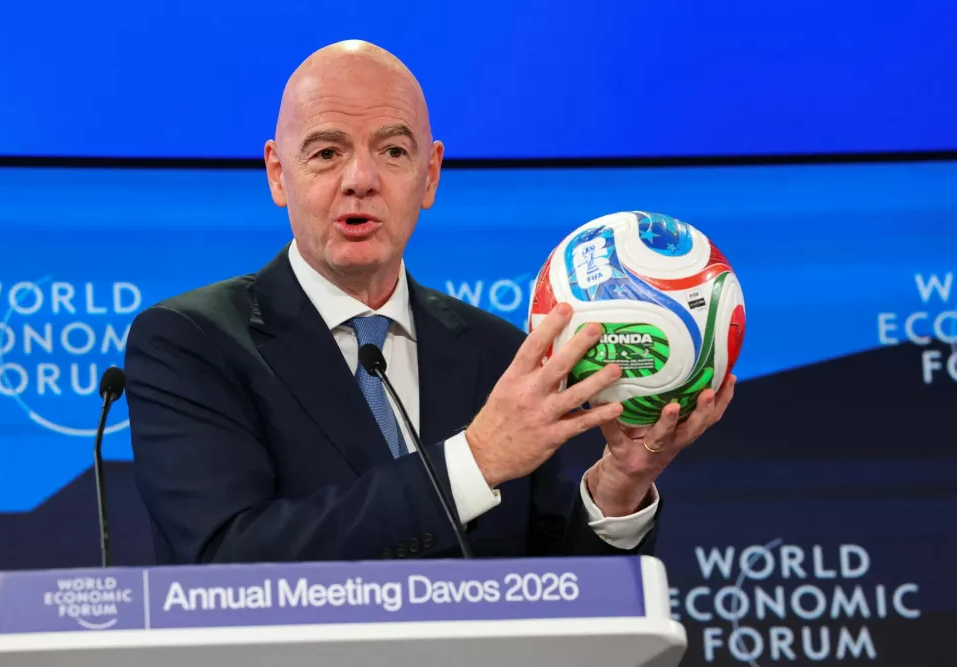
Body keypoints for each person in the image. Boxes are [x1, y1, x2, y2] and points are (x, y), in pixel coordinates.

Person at [124, 40, 735, 564]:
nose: (361, 178)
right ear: (279, 174)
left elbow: (561, 595)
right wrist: (474, 462)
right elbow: (227, 559)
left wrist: (619, 487)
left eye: (393, 151)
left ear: (431, 174)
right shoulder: (190, 343)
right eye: (327, 151)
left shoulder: (499, 353)